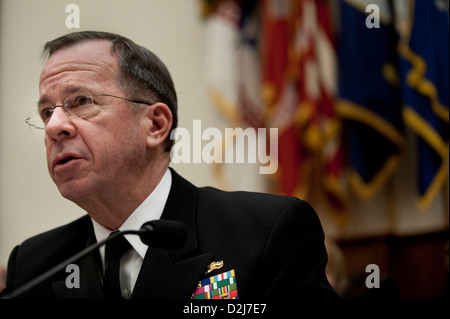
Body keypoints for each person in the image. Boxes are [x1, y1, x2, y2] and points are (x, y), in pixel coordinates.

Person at [0, 31, 338, 300]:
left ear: (156, 125)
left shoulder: (265, 233)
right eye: (47, 112)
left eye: (81, 101)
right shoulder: (33, 264)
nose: (54, 126)